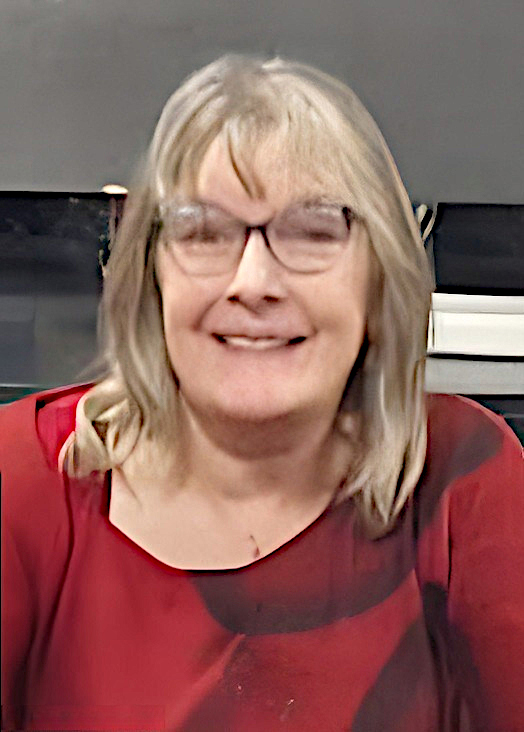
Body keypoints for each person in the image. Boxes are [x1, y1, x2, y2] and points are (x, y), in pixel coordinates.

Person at [1, 54, 523, 732]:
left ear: (379, 276)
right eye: (204, 232)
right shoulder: (23, 481)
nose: (253, 283)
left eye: (312, 232)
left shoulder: (466, 479)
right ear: (150, 272)